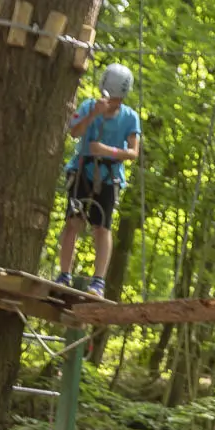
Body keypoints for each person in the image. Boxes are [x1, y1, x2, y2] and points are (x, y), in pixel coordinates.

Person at [55, 62, 141, 297]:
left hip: (109, 177)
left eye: (118, 99)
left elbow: (133, 152)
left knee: (102, 227)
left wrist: (106, 150)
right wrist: (94, 114)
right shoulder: (88, 106)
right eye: (111, 98)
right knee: (73, 221)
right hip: (82, 170)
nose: (114, 102)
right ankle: (64, 274)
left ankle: (98, 282)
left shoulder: (130, 117)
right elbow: (75, 132)